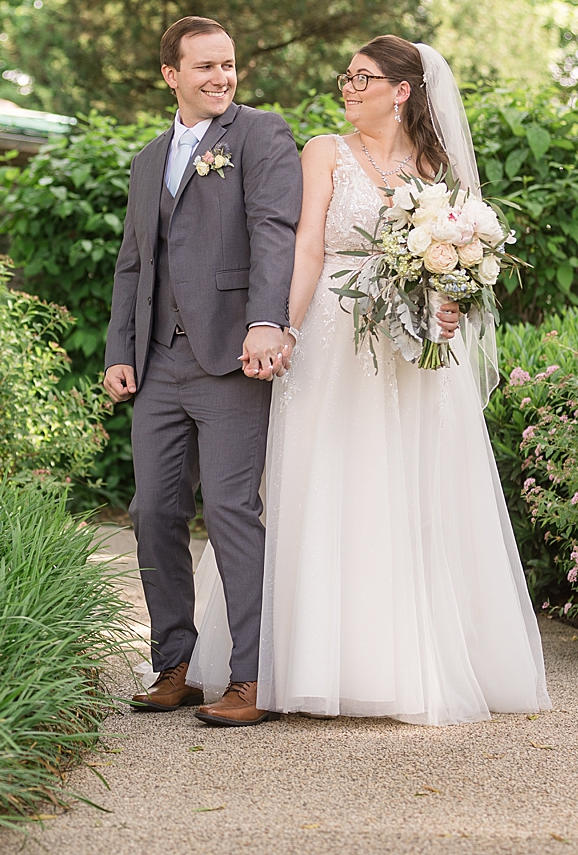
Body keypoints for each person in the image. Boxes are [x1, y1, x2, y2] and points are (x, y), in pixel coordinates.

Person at [187, 35, 551, 725]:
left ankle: (398, 664)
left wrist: (449, 304)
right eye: (346, 76)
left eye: (362, 77)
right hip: (332, 334)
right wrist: (282, 328)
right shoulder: (323, 150)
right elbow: (308, 247)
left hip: (409, 350)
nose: (348, 87)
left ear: (403, 89)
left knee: (405, 493)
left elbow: (455, 264)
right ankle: (297, 665)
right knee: (323, 484)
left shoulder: (435, 166)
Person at [102, 16, 302, 727]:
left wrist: (265, 321)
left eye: (229, 64)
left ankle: (246, 678)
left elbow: (275, 231)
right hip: (158, 362)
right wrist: (119, 351)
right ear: (170, 75)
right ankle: (174, 665)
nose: (222, 77)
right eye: (205, 67)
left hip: (230, 356)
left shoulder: (261, 134)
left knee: (229, 510)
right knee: (152, 511)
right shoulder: (148, 156)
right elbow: (134, 261)